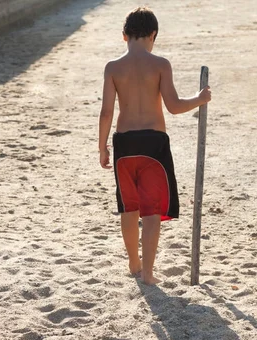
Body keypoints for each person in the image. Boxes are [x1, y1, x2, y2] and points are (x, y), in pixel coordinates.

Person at [98, 7, 211, 285]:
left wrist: (102, 147)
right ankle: (148, 273)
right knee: (151, 210)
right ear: (153, 35)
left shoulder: (113, 68)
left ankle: (133, 264)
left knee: (128, 207)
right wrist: (200, 99)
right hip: (154, 144)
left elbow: (106, 113)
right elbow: (173, 106)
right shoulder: (160, 65)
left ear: (124, 36)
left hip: (124, 143)